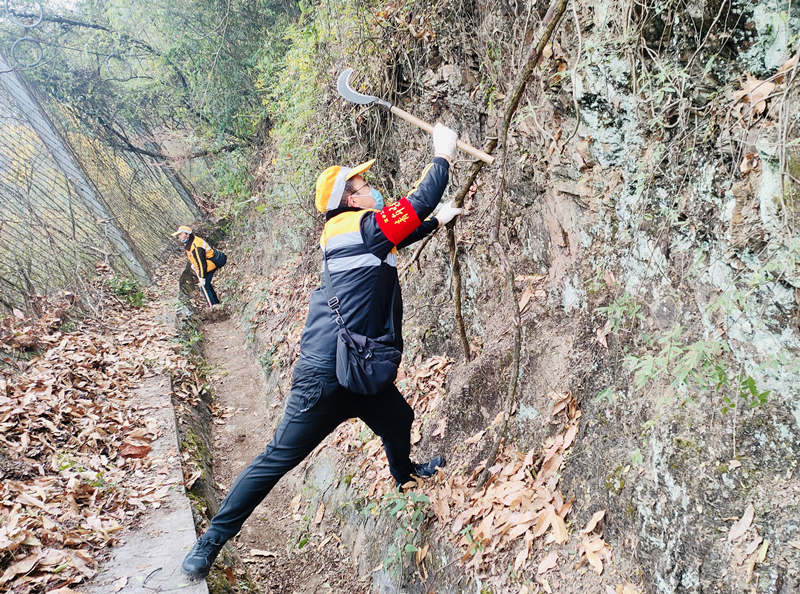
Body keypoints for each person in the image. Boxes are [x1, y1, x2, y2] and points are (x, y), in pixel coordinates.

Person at [181, 123, 464, 579]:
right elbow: (412, 207)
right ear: (351, 199)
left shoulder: (345, 231)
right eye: (364, 185)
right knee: (278, 457)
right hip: (323, 376)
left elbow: (397, 233)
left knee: (399, 420)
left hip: (362, 368)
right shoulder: (361, 225)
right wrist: (442, 156)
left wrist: (435, 222)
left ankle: (404, 476)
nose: (372, 189)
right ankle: (210, 542)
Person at [171, 226, 226, 307]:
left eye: (180, 234)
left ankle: (214, 307)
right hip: (209, 260)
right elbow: (195, 258)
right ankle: (216, 304)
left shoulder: (196, 246)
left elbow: (201, 263)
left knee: (204, 286)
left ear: (187, 234)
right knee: (206, 285)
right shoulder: (190, 242)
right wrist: (194, 264)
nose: (178, 236)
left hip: (214, 261)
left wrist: (202, 277)